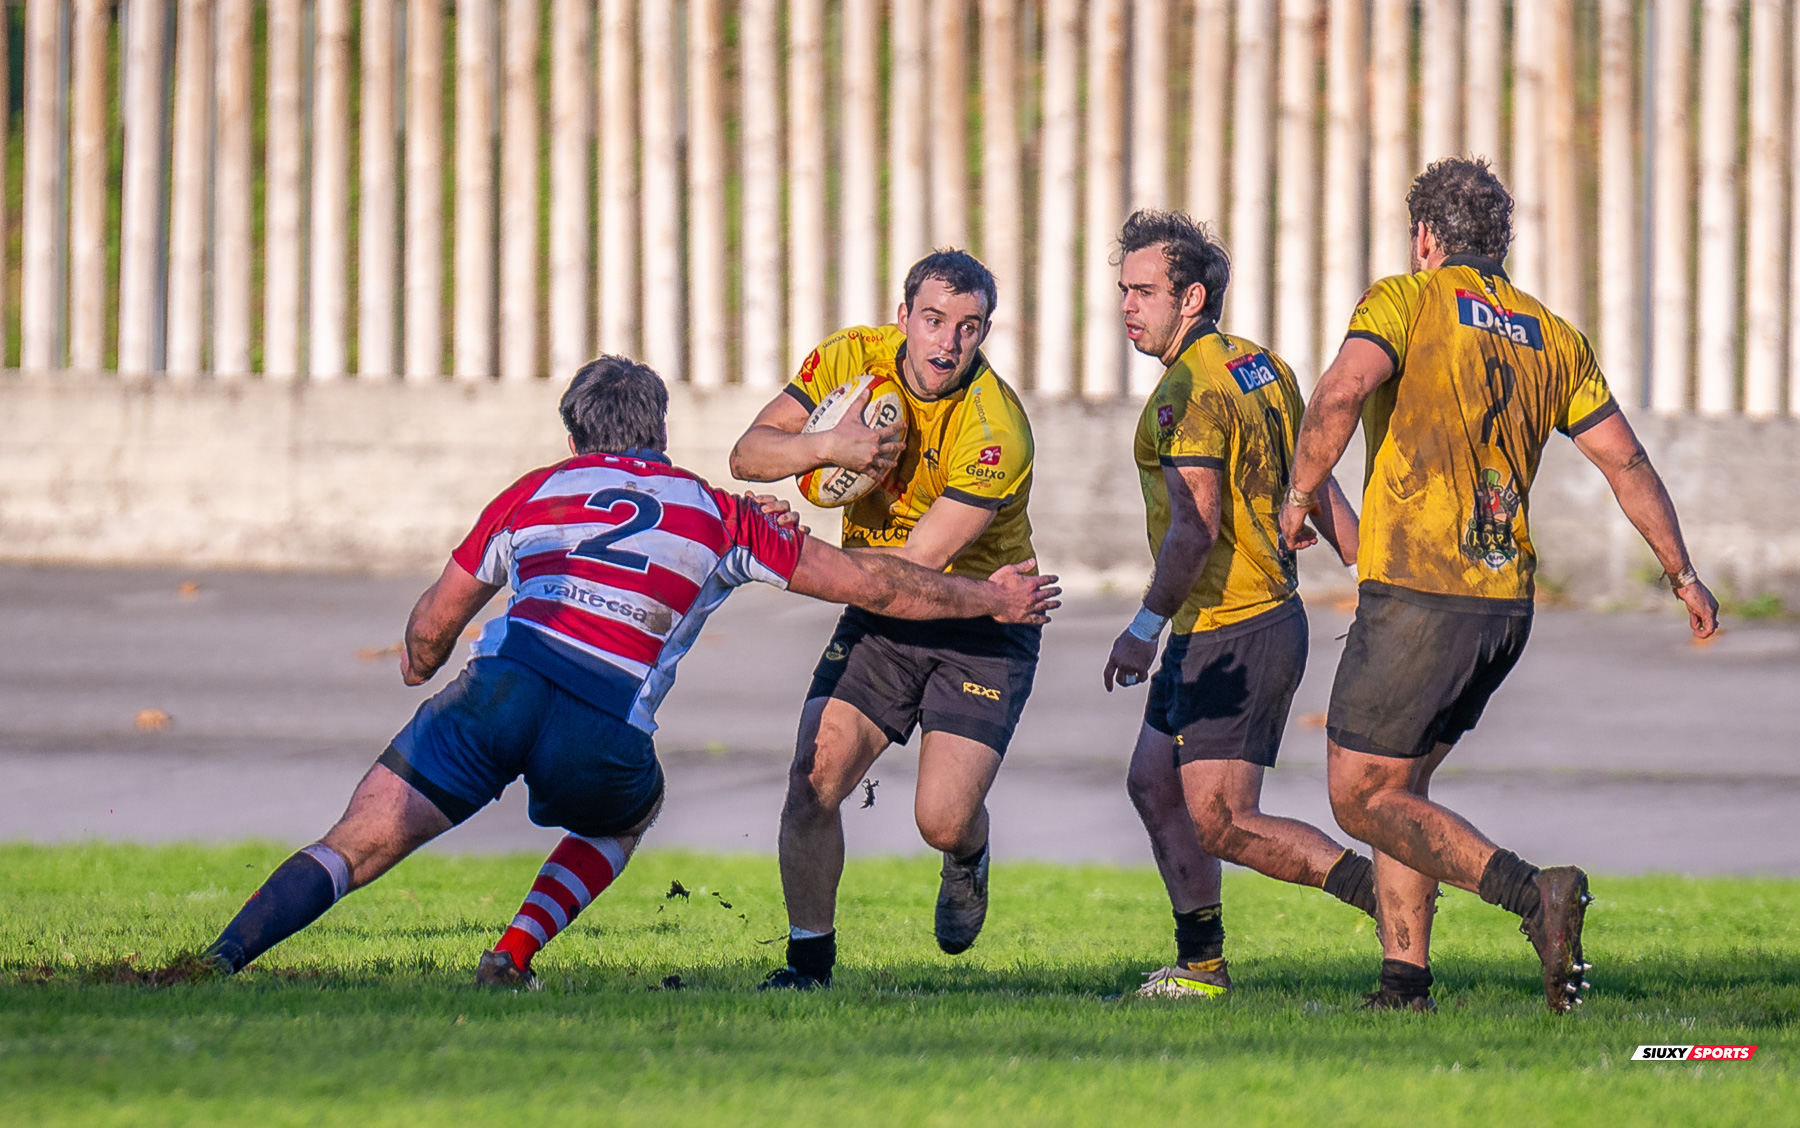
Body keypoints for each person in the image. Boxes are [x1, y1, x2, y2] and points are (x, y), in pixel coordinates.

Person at [197, 355, 1059, 986]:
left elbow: (431, 627)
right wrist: (990, 598)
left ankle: (220, 959)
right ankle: (513, 953)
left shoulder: (533, 491)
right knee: (630, 811)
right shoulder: (718, 513)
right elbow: (873, 581)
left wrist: (424, 670)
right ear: (661, 435)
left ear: (575, 435)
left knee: (353, 845)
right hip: (600, 726)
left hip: (497, 691)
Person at [1278, 158, 1719, 1013]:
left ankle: (1533, 895)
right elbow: (1625, 460)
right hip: (1501, 607)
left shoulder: (1406, 299)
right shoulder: (1554, 336)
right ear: (1502, 244)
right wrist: (1683, 572)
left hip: (1417, 592)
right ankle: (1404, 983)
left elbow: (1339, 392)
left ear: (1426, 239)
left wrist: (1300, 495)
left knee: (1359, 797)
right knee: (1400, 791)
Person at [729, 250, 1038, 989]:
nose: (947, 344)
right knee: (814, 778)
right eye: (933, 321)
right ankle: (809, 967)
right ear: (903, 318)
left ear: (985, 332)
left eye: (969, 328)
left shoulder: (997, 429)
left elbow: (917, 572)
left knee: (942, 817)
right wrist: (829, 445)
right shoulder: (851, 359)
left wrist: (789, 553)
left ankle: (968, 853)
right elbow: (748, 455)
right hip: (880, 612)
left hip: (982, 619)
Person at [1102, 210, 1377, 999]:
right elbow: (1311, 472)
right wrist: (1362, 560)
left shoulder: (1185, 393)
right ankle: (1202, 965)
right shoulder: (1261, 365)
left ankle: (1389, 890)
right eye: (1124, 291)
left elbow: (1195, 528)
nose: (1129, 307)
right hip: (1218, 625)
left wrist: (1141, 629)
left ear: (1192, 299)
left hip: (1237, 627)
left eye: (1145, 292)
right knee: (1154, 784)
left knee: (1223, 819)